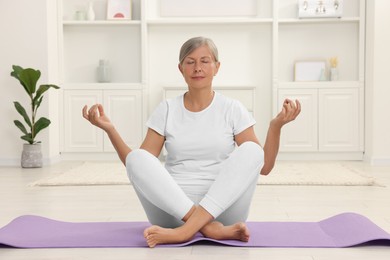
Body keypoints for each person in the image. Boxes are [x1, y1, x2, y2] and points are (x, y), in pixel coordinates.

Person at [82, 36, 301, 248]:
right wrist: (110, 130)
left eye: (205, 61)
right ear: (181, 69)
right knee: (137, 158)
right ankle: (208, 228)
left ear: (216, 67)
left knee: (253, 151)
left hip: (224, 210)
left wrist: (275, 126)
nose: (198, 68)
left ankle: (185, 232)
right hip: (172, 212)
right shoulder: (167, 109)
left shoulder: (233, 109)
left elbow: (264, 167)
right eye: (190, 62)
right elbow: (139, 167)